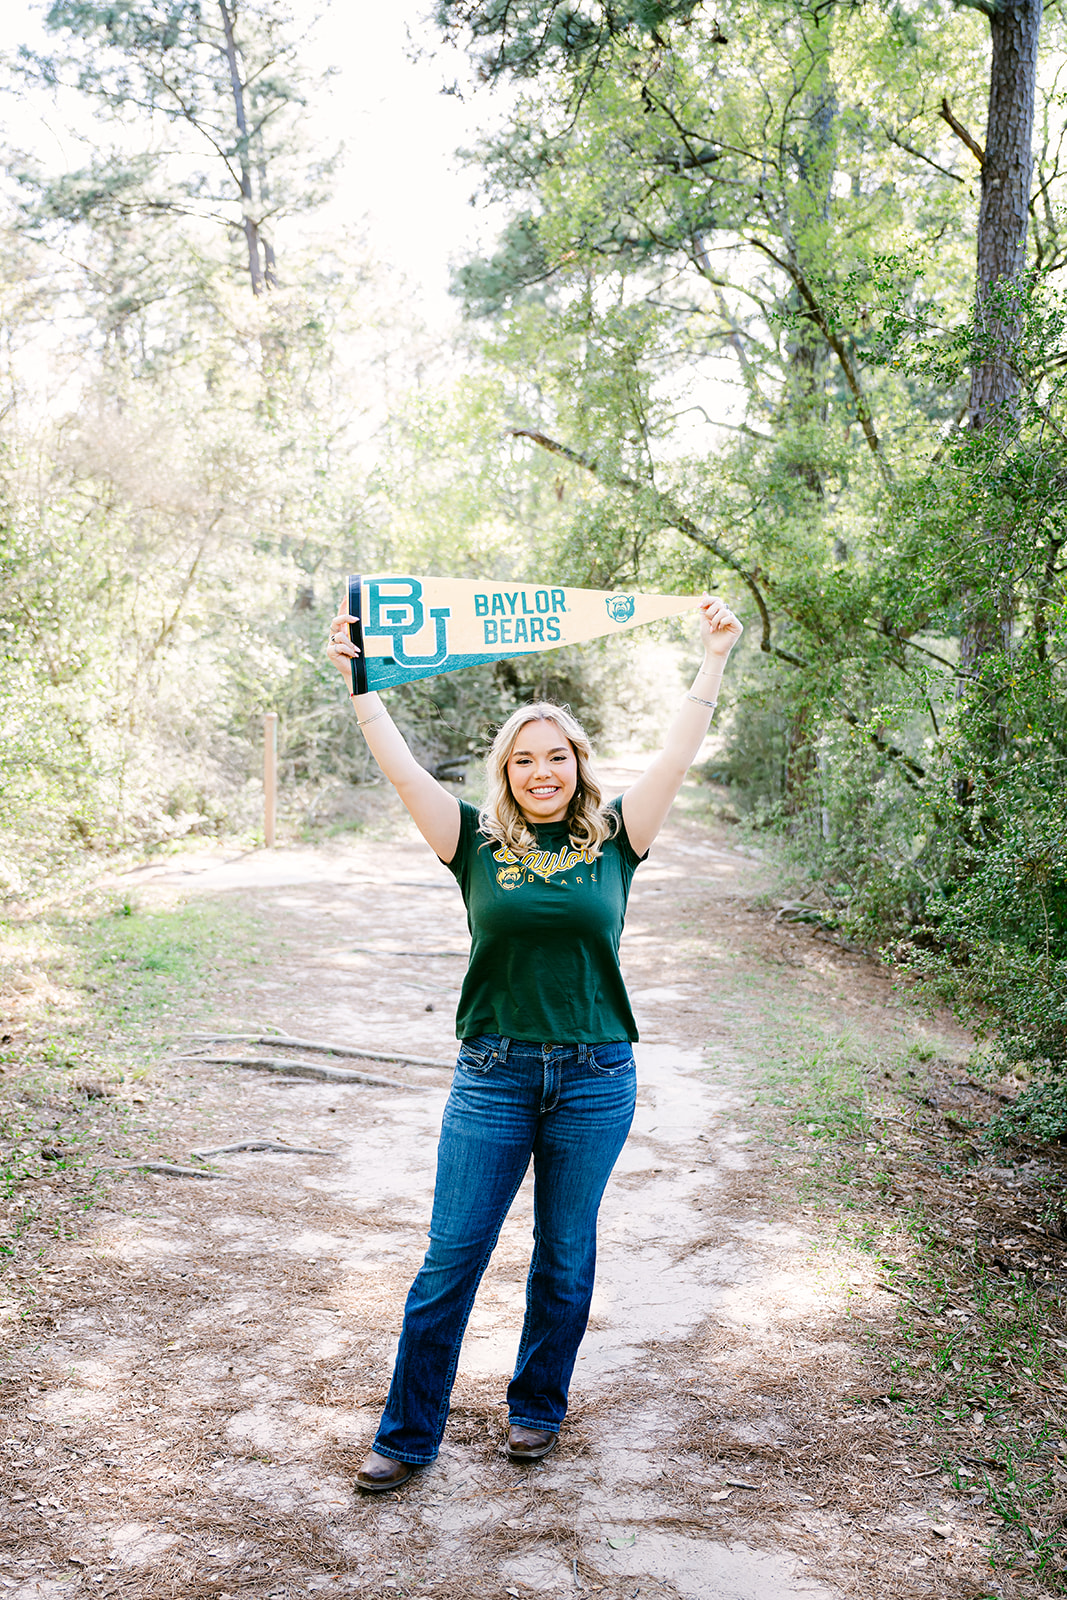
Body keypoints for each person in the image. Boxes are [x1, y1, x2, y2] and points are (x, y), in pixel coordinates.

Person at [326, 593, 742, 1491]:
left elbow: (676, 753)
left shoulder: (617, 836)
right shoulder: (472, 841)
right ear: (505, 771)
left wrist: (711, 658)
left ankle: (536, 1409)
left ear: (577, 764)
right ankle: (407, 1435)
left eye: (556, 756)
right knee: (452, 1257)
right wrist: (362, 686)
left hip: (596, 1076)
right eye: (523, 759)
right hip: (493, 1073)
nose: (540, 771)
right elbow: (401, 771)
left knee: (563, 1255)